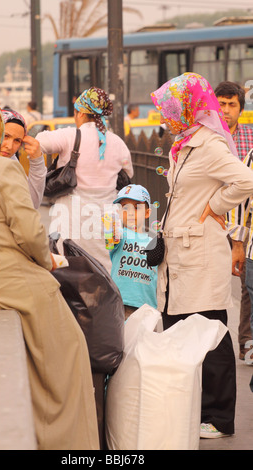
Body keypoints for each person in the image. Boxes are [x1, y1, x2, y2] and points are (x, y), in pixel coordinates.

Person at [0, 97, 99, 450]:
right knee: (71, 355)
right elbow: (31, 234)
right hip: (13, 286)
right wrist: (47, 261)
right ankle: (71, 445)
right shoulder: (1, 169)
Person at [149, 72, 253, 439]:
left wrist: (215, 205)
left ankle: (220, 417)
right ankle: (195, 406)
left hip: (200, 252)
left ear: (191, 106)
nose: (168, 114)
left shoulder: (209, 144)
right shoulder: (185, 142)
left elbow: (245, 180)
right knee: (181, 326)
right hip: (181, 250)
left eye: (174, 107)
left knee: (212, 331)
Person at [36, 87, 134, 272]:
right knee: (104, 272)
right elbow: (128, 173)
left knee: (70, 273)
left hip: (72, 220)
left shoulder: (70, 136)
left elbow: (40, 141)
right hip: (105, 221)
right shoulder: (117, 142)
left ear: (80, 112)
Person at [215, 81, 253, 361]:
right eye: (222, 104)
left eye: (232, 105)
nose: (226, 110)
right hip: (213, 219)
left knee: (245, 285)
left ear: (241, 109)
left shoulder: (250, 138)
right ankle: (214, 342)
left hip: (241, 221)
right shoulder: (207, 137)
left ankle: (247, 342)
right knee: (214, 283)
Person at [106, 184, 158, 320]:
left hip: (147, 306)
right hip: (121, 302)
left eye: (136, 207)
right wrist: (110, 224)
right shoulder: (120, 235)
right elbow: (110, 236)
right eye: (125, 208)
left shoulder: (154, 242)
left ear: (147, 213)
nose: (129, 212)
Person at [1, 109, 46, 209]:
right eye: (5, 136)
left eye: (17, 140)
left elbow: (32, 204)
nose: (9, 146)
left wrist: (37, 162)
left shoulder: (13, 167)